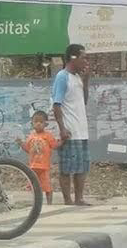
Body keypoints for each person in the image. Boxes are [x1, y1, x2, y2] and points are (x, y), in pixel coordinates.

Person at [52, 44, 91, 206]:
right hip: (69, 130)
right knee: (67, 168)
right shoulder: (62, 77)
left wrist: (86, 81)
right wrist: (62, 128)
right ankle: (68, 200)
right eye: (83, 57)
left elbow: (84, 101)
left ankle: (79, 198)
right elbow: (56, 104)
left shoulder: (77, 78)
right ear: (73, 58)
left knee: (82, 167)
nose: (86, 61)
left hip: (81, 130)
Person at [16, 111, 60, 205]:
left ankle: (49, 204)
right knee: (34, 186)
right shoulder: (31, 136)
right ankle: (36, 203)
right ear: (32, 123)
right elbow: (27, 149)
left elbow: (54, 145)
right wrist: (21, 143)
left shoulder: (48, 135)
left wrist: (63, 141)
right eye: (36, 121)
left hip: (44, 167)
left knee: (47, 186)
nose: (38, 124)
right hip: (33, 166)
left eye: (41, 122)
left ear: (46, 124)